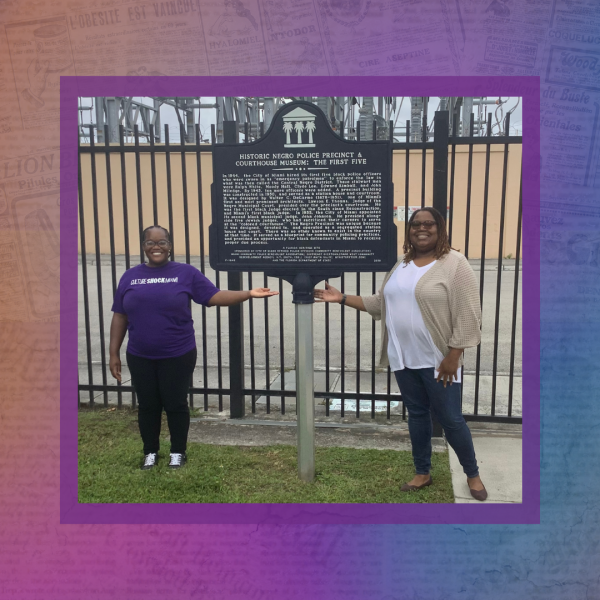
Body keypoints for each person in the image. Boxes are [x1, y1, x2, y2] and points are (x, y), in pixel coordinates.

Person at [314, 208, 488, 501]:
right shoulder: (402, 265)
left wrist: (453, 356)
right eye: (416, 224)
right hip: (403, 358)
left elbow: (469, 314)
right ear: (409, 231)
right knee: (417, 416)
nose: (422, 229)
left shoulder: (455, 264)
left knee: (451, 419)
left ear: (440, 228)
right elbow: (381, 303)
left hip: (438, 361)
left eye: (429, 224)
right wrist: (341, 297)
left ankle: (473, 475)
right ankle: (423, 473)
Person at [109, 225, 278, 471]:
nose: (156, 247)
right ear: (143, 246)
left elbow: (214, 296)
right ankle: (150, 453)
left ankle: (178, 452)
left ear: (170, 246)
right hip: (140, 354)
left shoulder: (185, 273)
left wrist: (248, 293)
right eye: (150, 242)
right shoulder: (130, 276)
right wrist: (113, 352)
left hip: (177, 353)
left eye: (162, 242)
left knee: (176, 404)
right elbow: (120, 316)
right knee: (147, 405)